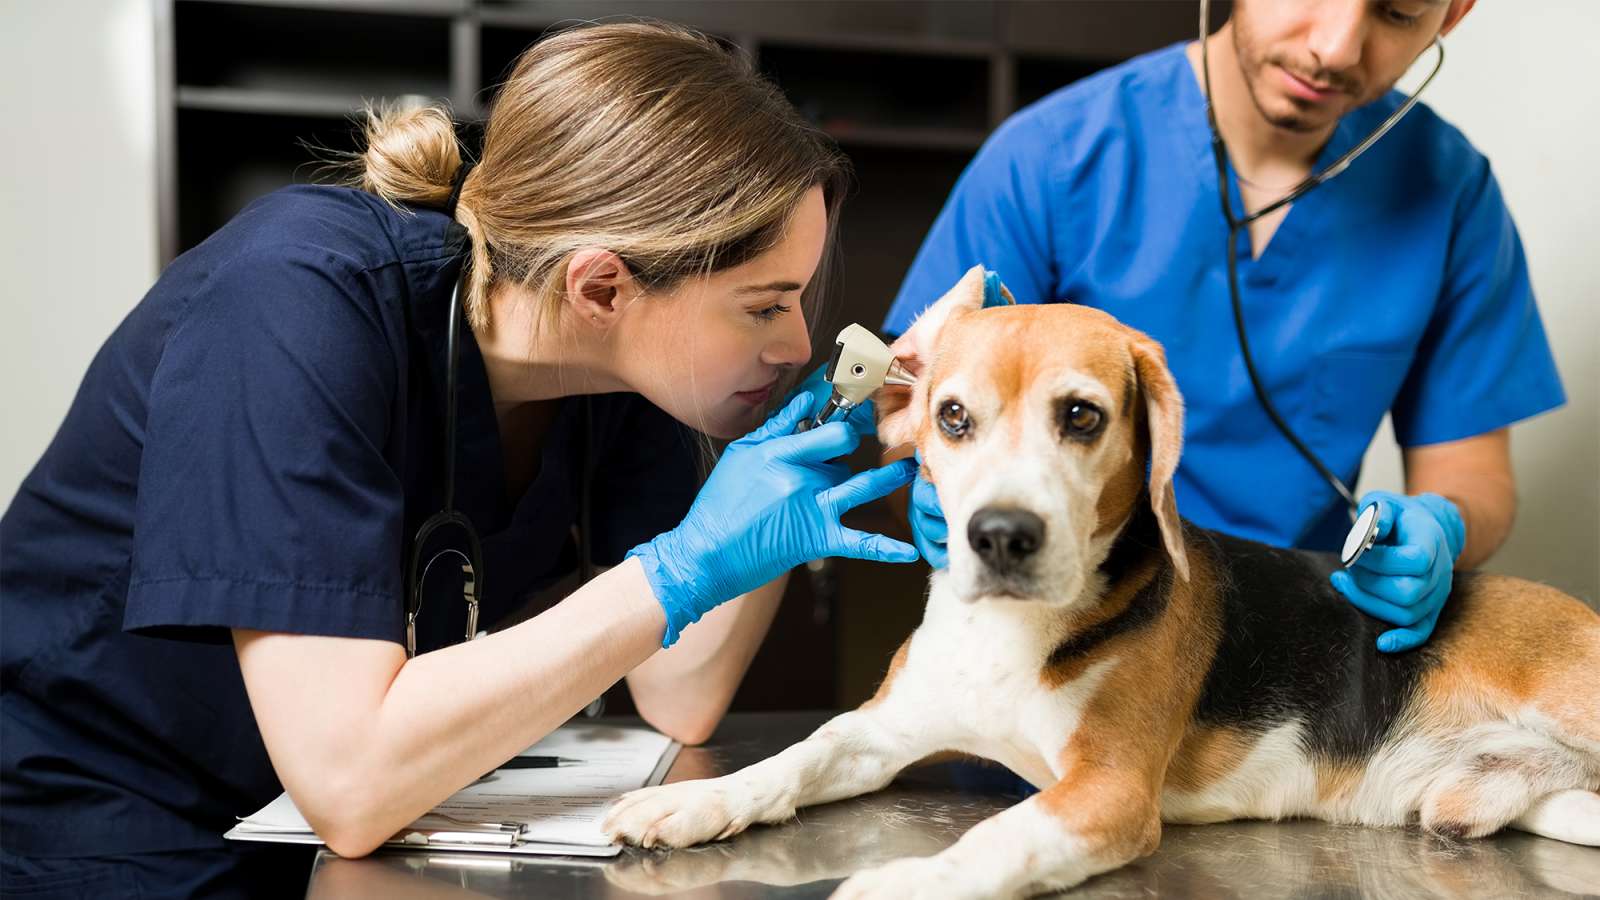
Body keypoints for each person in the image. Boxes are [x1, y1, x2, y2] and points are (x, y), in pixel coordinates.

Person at [0, 23, 918, 897]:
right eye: (764, 306)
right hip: (99, 799)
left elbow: (678, 693)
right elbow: (352, 780)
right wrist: (681, 570)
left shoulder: (612, 371)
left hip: (334, 812)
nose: (798, 344)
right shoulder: (292, 303)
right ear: (600, 286)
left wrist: (776, 485)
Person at [885, 0, 1564, 654]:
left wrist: (1441, 528)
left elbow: (1473, 473)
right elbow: (912, 417)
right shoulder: (1050, 159)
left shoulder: (1449, 191)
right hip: (1067, 627)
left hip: (1301, 634)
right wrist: (938, 488)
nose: (1334, 47)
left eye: (1396, 13)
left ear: (1452, 15)